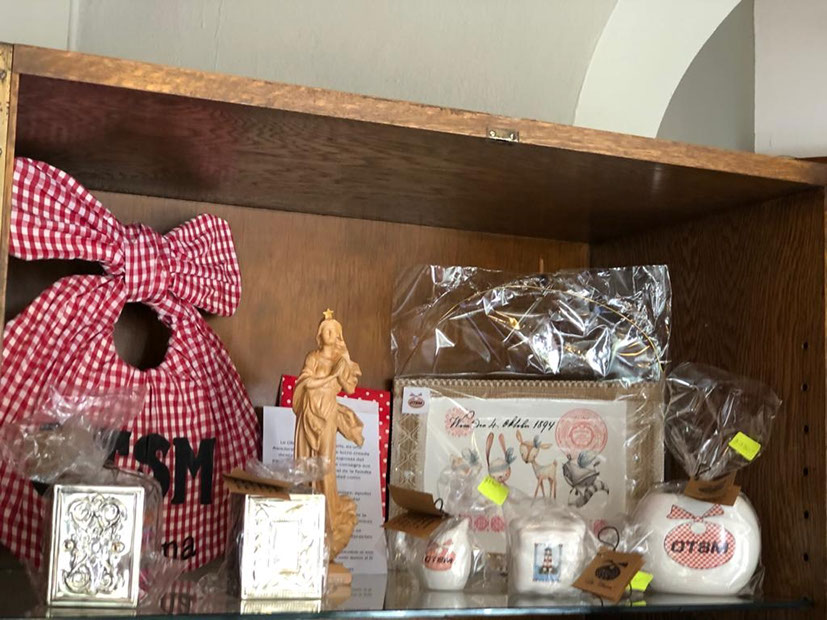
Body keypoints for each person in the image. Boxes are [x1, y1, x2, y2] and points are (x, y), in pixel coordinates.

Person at [292, 310, 364, 558]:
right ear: (319, 335)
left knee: (326, 463)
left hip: (328, 412)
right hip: (310, 412)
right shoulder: (312, 357)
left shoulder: (339, 359)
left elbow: (350, 388)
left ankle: (329, 515)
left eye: (333, 331)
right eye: (325, 331)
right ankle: (307, 515)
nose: (329, 335)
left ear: (339, 335)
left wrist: (342, 367)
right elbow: (306, 383)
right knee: (307, 462)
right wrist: (330, 377)